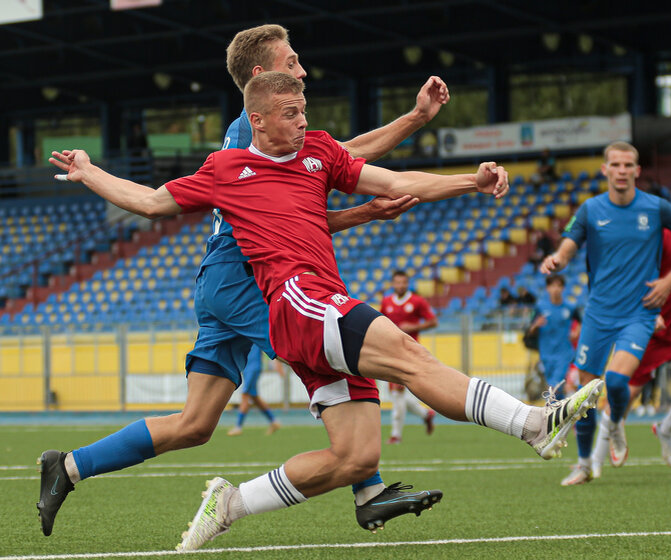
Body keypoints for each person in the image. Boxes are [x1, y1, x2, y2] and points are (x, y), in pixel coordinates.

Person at [49, 71, 604, 551]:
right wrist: (88, 171)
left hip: (315, 304)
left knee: (356, 457)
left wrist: (471, 182)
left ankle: (232, 504)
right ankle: (533, 424)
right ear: (258, 121)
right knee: (409, 354)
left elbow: (393, 180)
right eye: (290, 113)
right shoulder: (227, 167)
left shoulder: (319, 151)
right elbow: (149, 201)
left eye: (304, 111)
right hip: (297, 300)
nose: (300, 120)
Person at [35, 23, 448, 539]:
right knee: (330, 347)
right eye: (292, 61)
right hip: (243, 281)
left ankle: (68, 466)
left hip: (224, 281)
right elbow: (335, 163)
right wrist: (410, 122)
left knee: (194, 425)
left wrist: (366, 203)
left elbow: (336, 160)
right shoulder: (248, 134)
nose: (301, 70)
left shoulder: (267, 133)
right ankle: (370, 490)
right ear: (262, 76)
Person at [540, 141, 671, 486]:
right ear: (606, 170)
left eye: (629, 165)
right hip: (598, 314)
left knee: (614, 380)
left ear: (637, 171)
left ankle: (614, 425)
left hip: (638, 313)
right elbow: (570, 243)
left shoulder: (656, 208)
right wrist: (558, 259)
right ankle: (583, 465)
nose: (622, 171)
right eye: (616, 165)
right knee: (583, 396)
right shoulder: (590, 209)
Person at [590, 173, 671, 471]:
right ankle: (594, 462)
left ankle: (664, 429)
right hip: (648, 325)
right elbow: (634, 271)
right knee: (622, 396)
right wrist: (649, 313)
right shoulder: (663, 234)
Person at [380, 270, 438, 444]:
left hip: (408, 352)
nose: (400, 286)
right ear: (393, 284)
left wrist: (412, 327)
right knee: (396, 394)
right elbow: (381, 321)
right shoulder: (387, 302)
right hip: (390, 352)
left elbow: (433, 321)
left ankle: (396, 435)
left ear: (408, 283)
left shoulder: (417, 301)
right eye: (397, 283)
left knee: (397, 392)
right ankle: (425, 414)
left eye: (403, 283)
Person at [526, 275, 581, 400]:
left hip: (564, 353)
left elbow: (580, 321)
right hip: (546, 354)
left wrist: (576, 332)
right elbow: (530, 330)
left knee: (554, 386)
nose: (556, 289)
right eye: (553, 285)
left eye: (558, 285)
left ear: (563, 288)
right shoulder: (540, 307)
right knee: (556, 388)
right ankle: (560, 414)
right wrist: (536, 325)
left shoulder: (570, 307)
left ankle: (551, 414)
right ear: (547, 288)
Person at [227, 345, 285, 436]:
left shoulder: (254, 332)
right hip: (246, 368)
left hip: (253, 368)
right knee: (254, 397)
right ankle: (274, 421)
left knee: (245, 394)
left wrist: (277, 364)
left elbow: (269, 345)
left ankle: (238, 427)